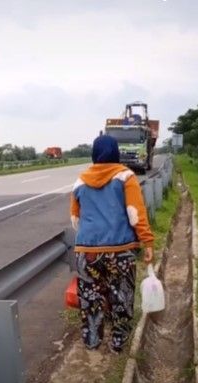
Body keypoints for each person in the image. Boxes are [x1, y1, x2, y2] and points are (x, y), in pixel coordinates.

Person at [70, 135, 154, 353]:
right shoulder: (126, 176)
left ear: (94, 153)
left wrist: (91, 237)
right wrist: (147, 241)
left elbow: (75, 219)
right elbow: (135, 214)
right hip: (120, 250)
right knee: (121, 296)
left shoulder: (80, 181)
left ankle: (92, 341)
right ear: (116, 152)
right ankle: (118, 342)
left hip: (87, 252)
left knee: (90, 298)